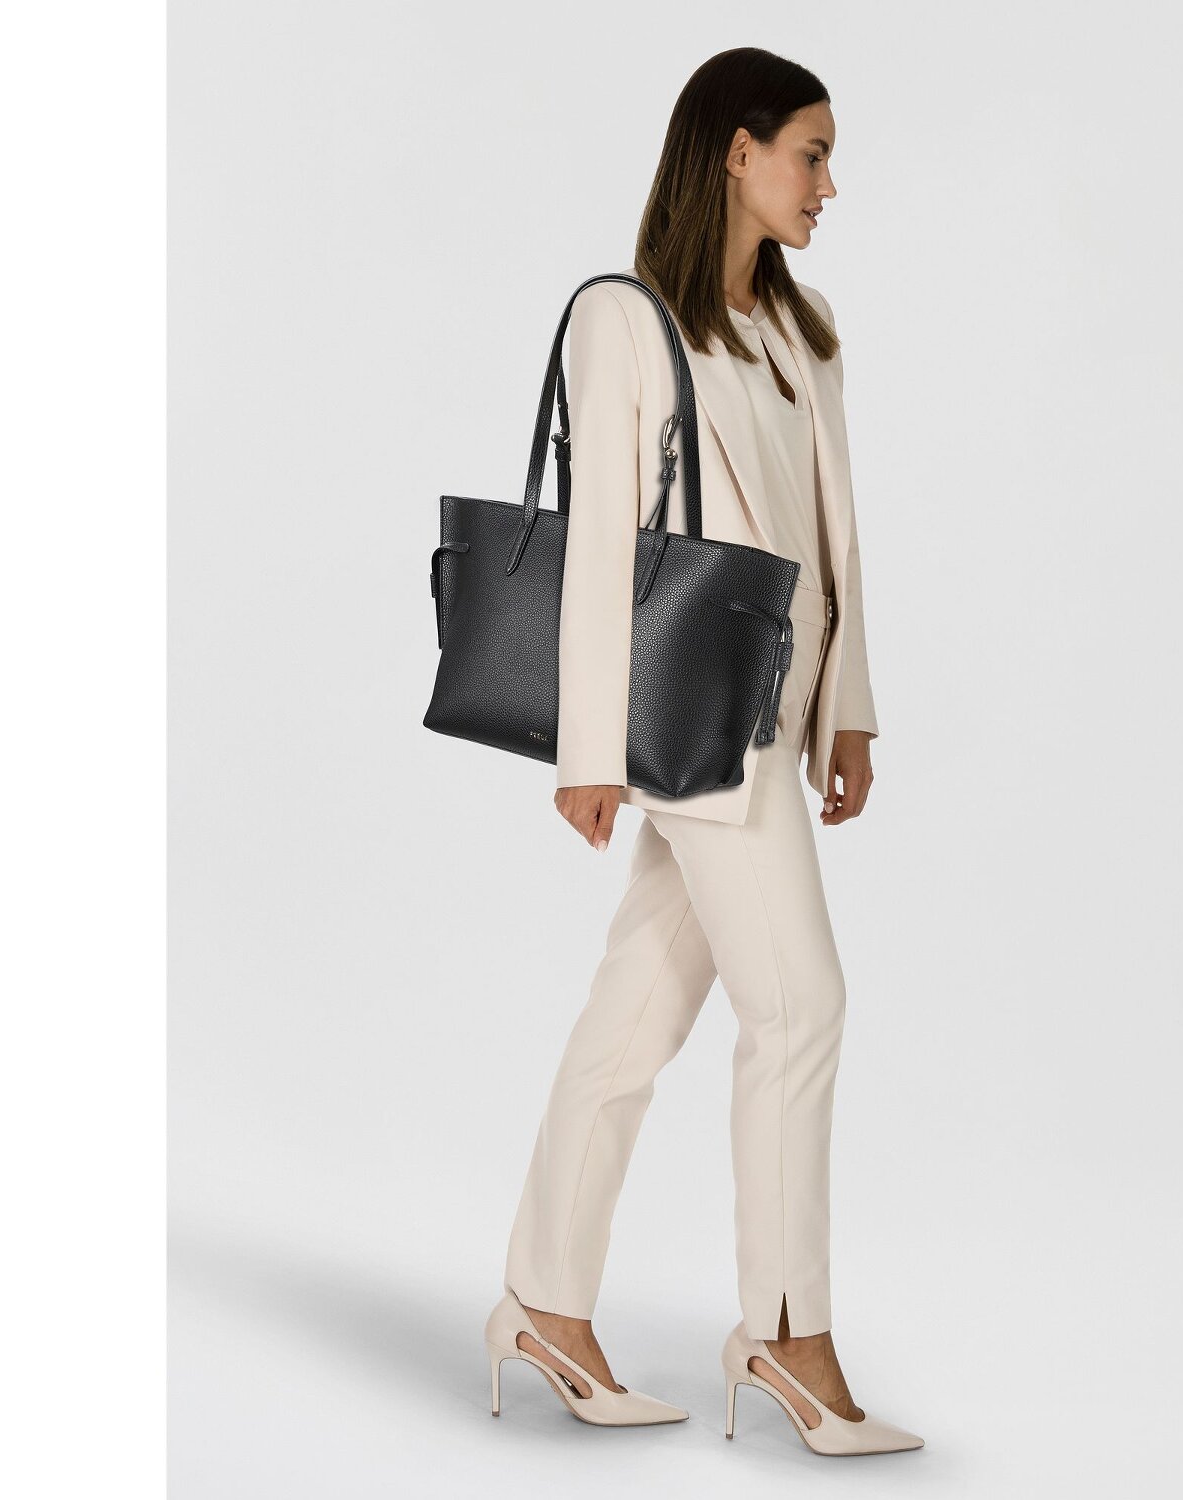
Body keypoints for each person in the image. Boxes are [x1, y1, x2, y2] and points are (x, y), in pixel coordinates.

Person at [484, 47, 923, 1457]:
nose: (828, 183)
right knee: (802, 1008)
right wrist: (587, 747)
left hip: (779, 716)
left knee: (637, 1016)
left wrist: (850, 707)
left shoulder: (803, 330)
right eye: (811, 153)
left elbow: (835, 530)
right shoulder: (631, 320)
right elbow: (603, 537)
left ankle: (542, 1304)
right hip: (693, 722)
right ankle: (786, 1333)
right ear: (737, 152)